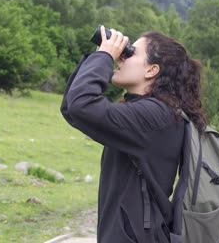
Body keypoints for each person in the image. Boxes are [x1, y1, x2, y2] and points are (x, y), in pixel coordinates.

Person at [60, 26, 206, 242]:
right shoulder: (150, 111)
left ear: (151, 70)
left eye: (131, 53)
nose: (121, 58)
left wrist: (104, 56)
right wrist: (99, 53)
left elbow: (82, 105)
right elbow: (72, 109)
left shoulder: (155, 115)